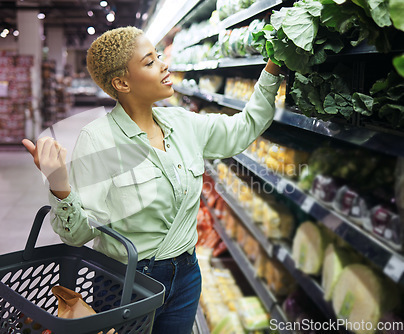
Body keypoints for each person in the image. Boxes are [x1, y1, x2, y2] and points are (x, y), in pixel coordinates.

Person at [22, 26, 282, 334]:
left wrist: (273, 66)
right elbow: (78, 235)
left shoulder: (182, 123)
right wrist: (60, 185)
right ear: (121, 82)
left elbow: (244, 128)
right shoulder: (99, 139)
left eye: (159, 56)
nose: (164, 65)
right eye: (149, 62)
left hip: (186, 276)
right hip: (126, 283)